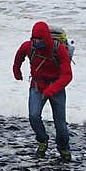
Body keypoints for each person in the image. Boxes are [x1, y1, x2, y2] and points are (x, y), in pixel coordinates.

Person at [13, 20, 73, 161]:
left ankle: (64, 149)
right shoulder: (28, 46)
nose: (36, 41)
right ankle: (42, 141)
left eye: (40, 39)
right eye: (34, 38)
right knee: (33, 116)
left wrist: (52, 89)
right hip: (37, 87)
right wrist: (16, 70)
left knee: (60, 124)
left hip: (56, 88)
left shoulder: (59, 49)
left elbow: (67, 75)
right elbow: (18, 57)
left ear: (46, 38)